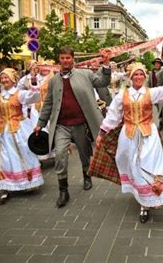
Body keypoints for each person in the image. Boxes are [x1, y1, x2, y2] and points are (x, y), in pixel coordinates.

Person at [97, 61, 163, 223]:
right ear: (130, 77)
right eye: (135, 74)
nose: (139, 77)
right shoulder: (122, 95)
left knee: (149, 165)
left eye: (141, 74)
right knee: (133, 166)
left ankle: (146, 203)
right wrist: (102, 133)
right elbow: (113, 115)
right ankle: (142, 197)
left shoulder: (151, 92)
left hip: (148, 135)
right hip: (128, 135)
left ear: (145, 76)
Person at [34, 46, 111, 208]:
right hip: (61, 125)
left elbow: (104, 81)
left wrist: (106, 63)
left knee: (84, 153)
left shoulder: (86, 74)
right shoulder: (54, 80)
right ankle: (63, 191)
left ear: (73, 59)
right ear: (59, 60)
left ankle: (86, 175)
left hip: (81, 124)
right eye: (62, 58)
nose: (65, 61)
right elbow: (48, 103)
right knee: (60, 154)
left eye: (68, 58)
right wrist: (40, 124)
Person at [0, 68, 44, 204]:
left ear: (13, 79)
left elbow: (36, 96)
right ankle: (5, 186)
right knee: (3, 157)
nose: (4, 80)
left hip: (19, 130)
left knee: (23, 154)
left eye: (6, 77)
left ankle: (28, 181)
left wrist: (33, 80)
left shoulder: (19, 94)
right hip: (3, 132)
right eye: (2, 78)